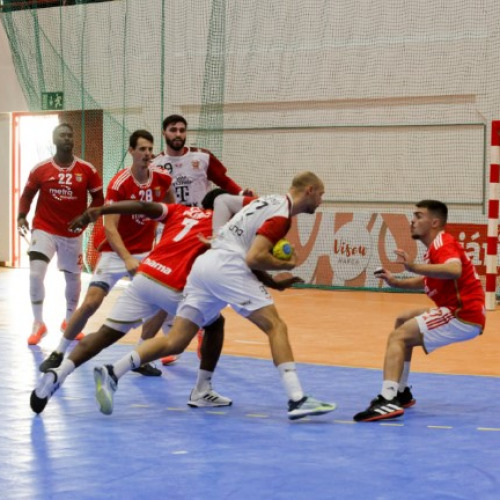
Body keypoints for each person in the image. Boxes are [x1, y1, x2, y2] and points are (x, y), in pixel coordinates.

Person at [90, 171, 337, 421]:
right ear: (309, 190)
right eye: (321, 194)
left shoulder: (267, 201)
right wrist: (287, 265)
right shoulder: (282, 217)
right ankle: (297, 399)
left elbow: (222, 201)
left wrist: (219, 238)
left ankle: (113, 371)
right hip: (229, 268)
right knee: (276, 326)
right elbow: (254, 258)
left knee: (176, 340)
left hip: (205, 265)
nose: (321, 200)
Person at [30, 190, 298, 414]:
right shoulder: (226, 230)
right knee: (214, 326)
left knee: (104, 335)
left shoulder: (178, 211)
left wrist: (102, 210)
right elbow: (245, 264)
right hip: (174, 286)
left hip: (146, 275)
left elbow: (143, 205)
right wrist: (275, 282)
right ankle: (201, 389)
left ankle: (57, 375)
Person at [38, 129, 173, 377]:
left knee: (162, 304)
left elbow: (173, 213)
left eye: (150, 149)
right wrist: (127, 258)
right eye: (141, 149)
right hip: (115, 252)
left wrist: (167, 245)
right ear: (131, 151)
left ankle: (140, 356)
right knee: (91, 302)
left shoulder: (162, 180)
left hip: (145, 254)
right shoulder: (119, 183)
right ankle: (59, 351)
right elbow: (110, 228)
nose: (147, 154)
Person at [353, 200, 486, 422]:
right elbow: (429, 279)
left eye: (418, 216)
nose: (412, 221)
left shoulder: (443, 243)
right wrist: (397, 282)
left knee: (399, 337)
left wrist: (412, 266)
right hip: (460, 311)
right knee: (402, 319)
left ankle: (387, 400)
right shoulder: (434, 249)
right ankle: (402, 392)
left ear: (434, 222)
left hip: (461, 314)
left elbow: (454, 270)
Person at [141, 113, 255, 365]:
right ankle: (172, 339)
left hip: (200, 231)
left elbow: (223, 181)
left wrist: (239, 193)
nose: (178, 134)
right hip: (170, 231)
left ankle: (203, 330)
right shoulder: (155, 163)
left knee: (198, 283)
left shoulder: (201, 157)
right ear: (164, 133)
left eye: (182, 129)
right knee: (168, 287)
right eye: (173, 130)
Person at [18, 123, 104, 345]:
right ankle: (38, 323)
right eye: (62, 135)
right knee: (36, 274)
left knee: (73, 278)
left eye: (69, 135)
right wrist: (21, 216)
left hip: (72, 232)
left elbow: (99, 199)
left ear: (73, 140)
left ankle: (69, 321)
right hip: (44, 228)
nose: (66, 138)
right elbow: (27, 195)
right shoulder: (41, 169)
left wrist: (86, 217)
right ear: (54, 140)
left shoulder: (87, 170)